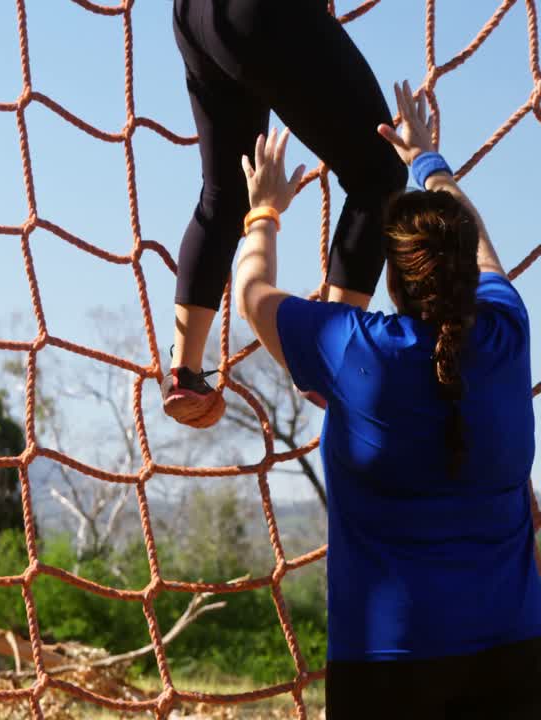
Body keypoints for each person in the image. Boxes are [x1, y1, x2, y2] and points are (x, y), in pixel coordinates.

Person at [233, 82, 541, 717]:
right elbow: (482, 247)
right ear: (464, 269)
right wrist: (427, 161)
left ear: (393, 282)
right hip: (516, 655)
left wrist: (263, 212)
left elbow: (252, 292)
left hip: (387, 665)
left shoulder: (355, 347)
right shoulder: (507, 333)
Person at [163, 0, 408, 428]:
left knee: (226, 195)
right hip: (263, 13)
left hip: (195, 17)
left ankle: (184, 372)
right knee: (380, 174)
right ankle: (331, 356)